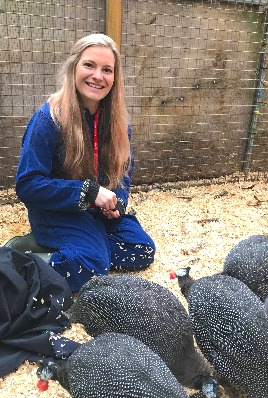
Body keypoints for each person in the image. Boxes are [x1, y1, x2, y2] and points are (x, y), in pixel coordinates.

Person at [15, 33, 155, 291]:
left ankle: (85, 248)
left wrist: (118, 202)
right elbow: (27, 185)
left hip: (95, 213)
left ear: (115, 78)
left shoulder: (118, 122)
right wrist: (89, 193)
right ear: (74, 68)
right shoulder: (48, 119)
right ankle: (26, 260)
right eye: (89, 65)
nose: (97, 76)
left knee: (142, 250)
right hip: (57, 211)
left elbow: (124, 174)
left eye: (107, 70)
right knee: (92, 266)